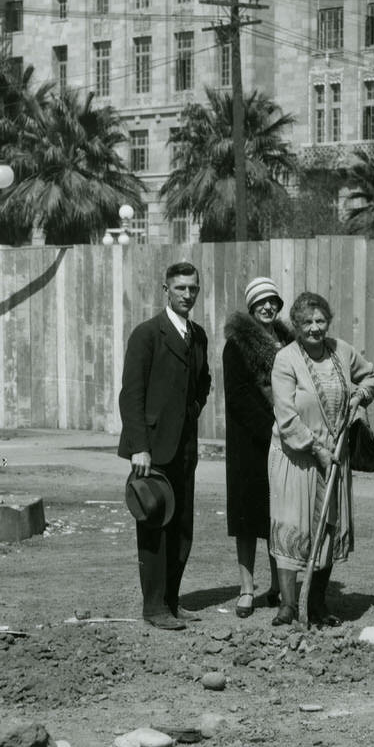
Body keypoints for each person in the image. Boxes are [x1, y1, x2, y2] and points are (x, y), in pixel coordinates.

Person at [268, 292, 374, 627]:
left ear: (327, 321)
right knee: (292, 525)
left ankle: (316, 603)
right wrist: (315, 450)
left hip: (336, 457)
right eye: (306, 322)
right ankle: (289, 605)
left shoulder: (342, 351)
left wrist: (360, 396)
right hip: (296, 456)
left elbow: (370, 376)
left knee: (328, 527)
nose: (315, 328)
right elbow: (286, 415)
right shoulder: (286, 360)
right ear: (296, 326)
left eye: (320, 321)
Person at [117, 261, 212, 630]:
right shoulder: (147, 334)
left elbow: (203, 381)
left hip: (185, 448)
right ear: (166, 290)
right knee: (155, 524)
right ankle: (154, 608)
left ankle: (173, 601)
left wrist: (193, 411)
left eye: (193, 288)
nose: (188, 294)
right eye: (180, 288)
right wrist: (139, 446)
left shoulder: (198, 335)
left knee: (182, 528)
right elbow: (131, 394)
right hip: (152, 451)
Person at [222, 277, 294, 619]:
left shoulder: (289, 342)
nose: (268, 307)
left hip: (285, 441)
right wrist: (273, 428)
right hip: (250, 443)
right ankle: (247, 588)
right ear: (251, 307)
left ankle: (278, 586)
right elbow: (237, 397)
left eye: (273, 301)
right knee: (247, 518)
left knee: (278, 515)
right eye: (261, 302)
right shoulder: (236, 344)